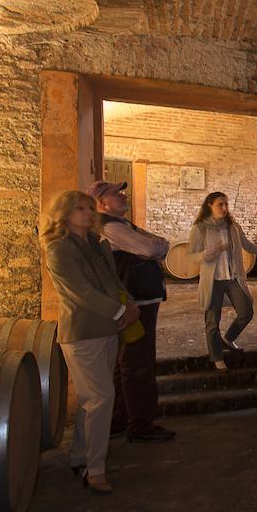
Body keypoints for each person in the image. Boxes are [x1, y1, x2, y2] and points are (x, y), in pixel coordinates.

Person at [41, 190, 140, 494]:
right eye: (79, 209)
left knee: (89, 399)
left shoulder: (98, 244)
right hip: (83, 332)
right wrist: (121, 310)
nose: (87, 213)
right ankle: (94, 470)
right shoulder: (59, 249)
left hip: (109, 328)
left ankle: (79, 456)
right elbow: (80, 292)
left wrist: (130, 304)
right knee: (102, 397)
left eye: (88, 208)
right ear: (64, 213)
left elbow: (113, 282)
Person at [90, 180, 176, 443]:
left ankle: (121, 418)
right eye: (117, 193)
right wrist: (156, 247)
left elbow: (158, 245)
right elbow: (153, 247)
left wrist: (157, 246)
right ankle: (141, 425)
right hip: (135, 304)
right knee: (138, 363)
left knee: (126, 362)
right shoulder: (111, 226)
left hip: (137, 300)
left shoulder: (120, 225)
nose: (123, 195)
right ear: (102, 202)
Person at [189, 191, 257, 371]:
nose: (225, 208)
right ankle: (217, 357)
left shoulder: (233, 227)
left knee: (246, 311)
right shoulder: (200, 228)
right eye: (220, 204)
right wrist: (210, 252)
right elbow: (192, 257)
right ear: (209, 205)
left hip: (233, 278)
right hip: (213, 281)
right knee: (212, 321)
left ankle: (229, 338)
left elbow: (249, 246)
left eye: (226, 204)